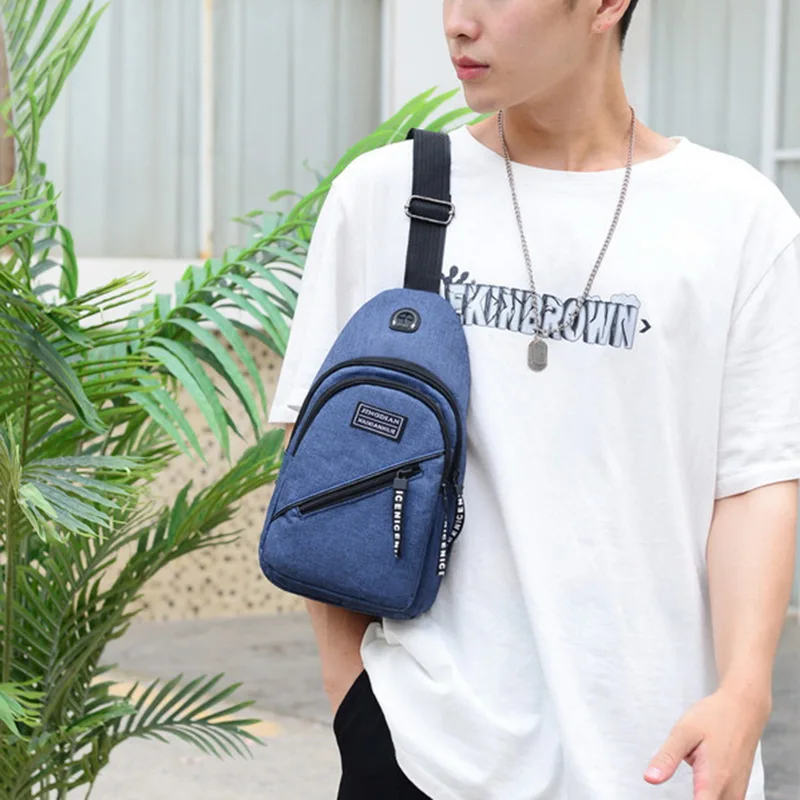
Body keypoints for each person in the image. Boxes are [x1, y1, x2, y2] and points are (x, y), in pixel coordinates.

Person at [266, 1, 800, 797]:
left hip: (666, 761)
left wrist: (744, 693)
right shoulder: (386, 197)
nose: (457, 22)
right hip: (428, 758)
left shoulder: (737, 218)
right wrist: (358, 710)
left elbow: (753, 481)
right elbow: (317, 468)